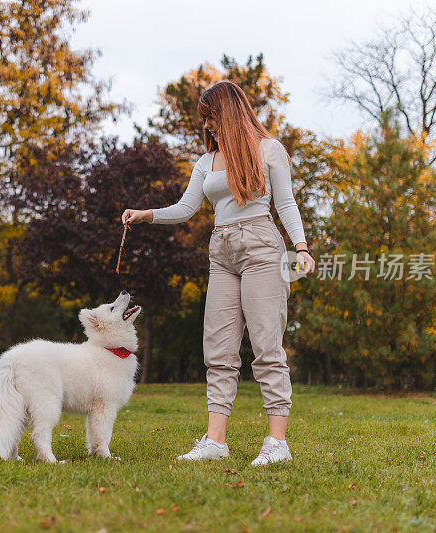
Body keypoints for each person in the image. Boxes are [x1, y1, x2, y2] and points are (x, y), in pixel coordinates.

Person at [121, 80, 315, 466]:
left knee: (266, 346)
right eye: (205, 120)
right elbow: (186, 207)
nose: (208, 126)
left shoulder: (268, 149)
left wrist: (302, 247)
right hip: (221, 251)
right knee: (219, 350)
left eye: (211, 117)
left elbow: (287, 203)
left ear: (229, 111)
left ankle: (277, 443)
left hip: (262, 246)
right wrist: (147, 215)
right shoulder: (206, 161)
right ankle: (215, 441)